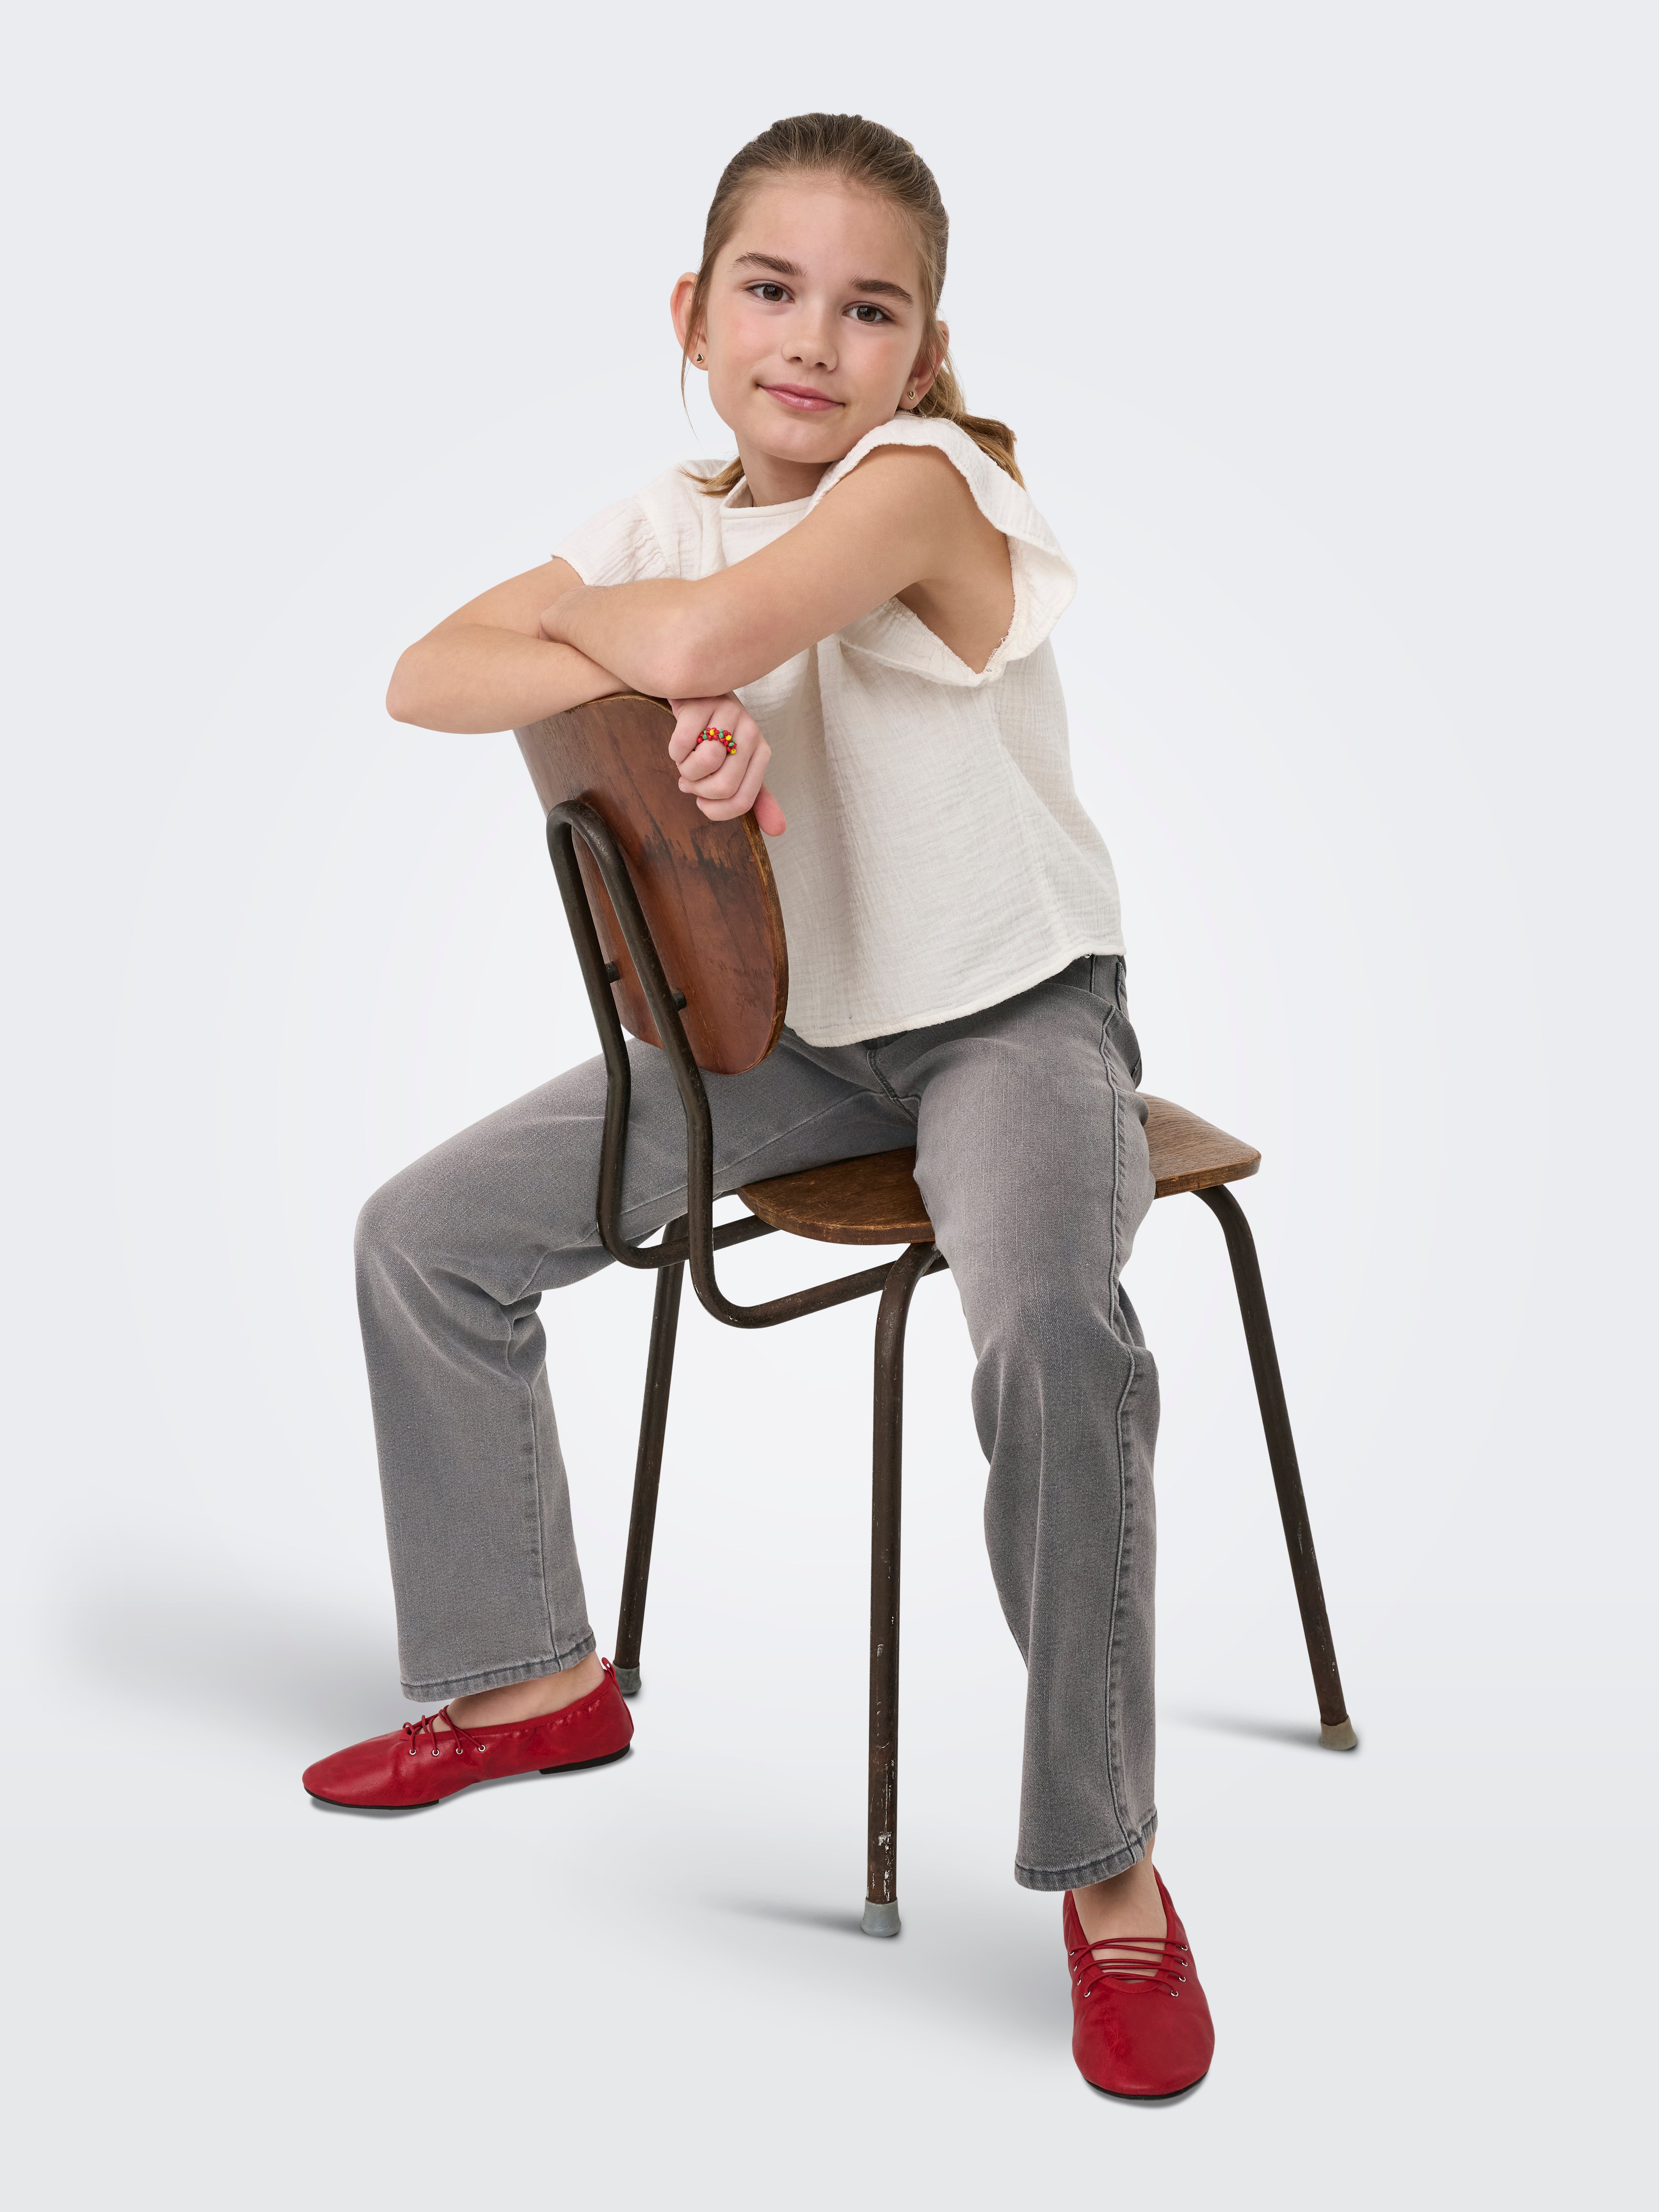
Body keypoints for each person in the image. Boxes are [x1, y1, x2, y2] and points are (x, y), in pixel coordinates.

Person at [303, 112, 1214, 2101]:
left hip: (1010, 1021)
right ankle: (535, 1677)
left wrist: (644, 665)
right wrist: (661, 695)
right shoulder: (664, 513)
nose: (812, 338)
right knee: (424, 1240)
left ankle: (1110, 1868)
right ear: (693, 317)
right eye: (770, 290)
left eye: (867, 308)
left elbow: (706, 633)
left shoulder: (924, 485)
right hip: (789, 1040)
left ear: (924, 350)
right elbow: (424, 673)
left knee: (1052, 1330)